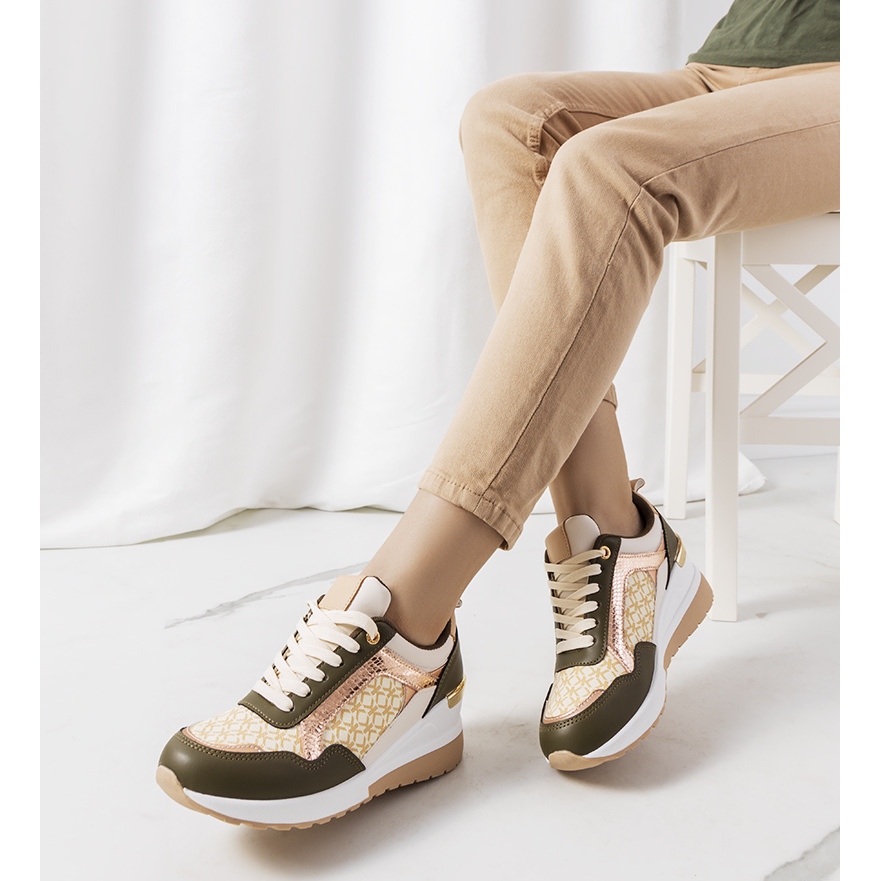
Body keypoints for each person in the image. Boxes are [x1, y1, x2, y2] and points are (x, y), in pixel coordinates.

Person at [156, 0, 839, 829]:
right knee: (510, 120)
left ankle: (405, 618)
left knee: (612, 169)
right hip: (748, 55)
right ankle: (612, 532)